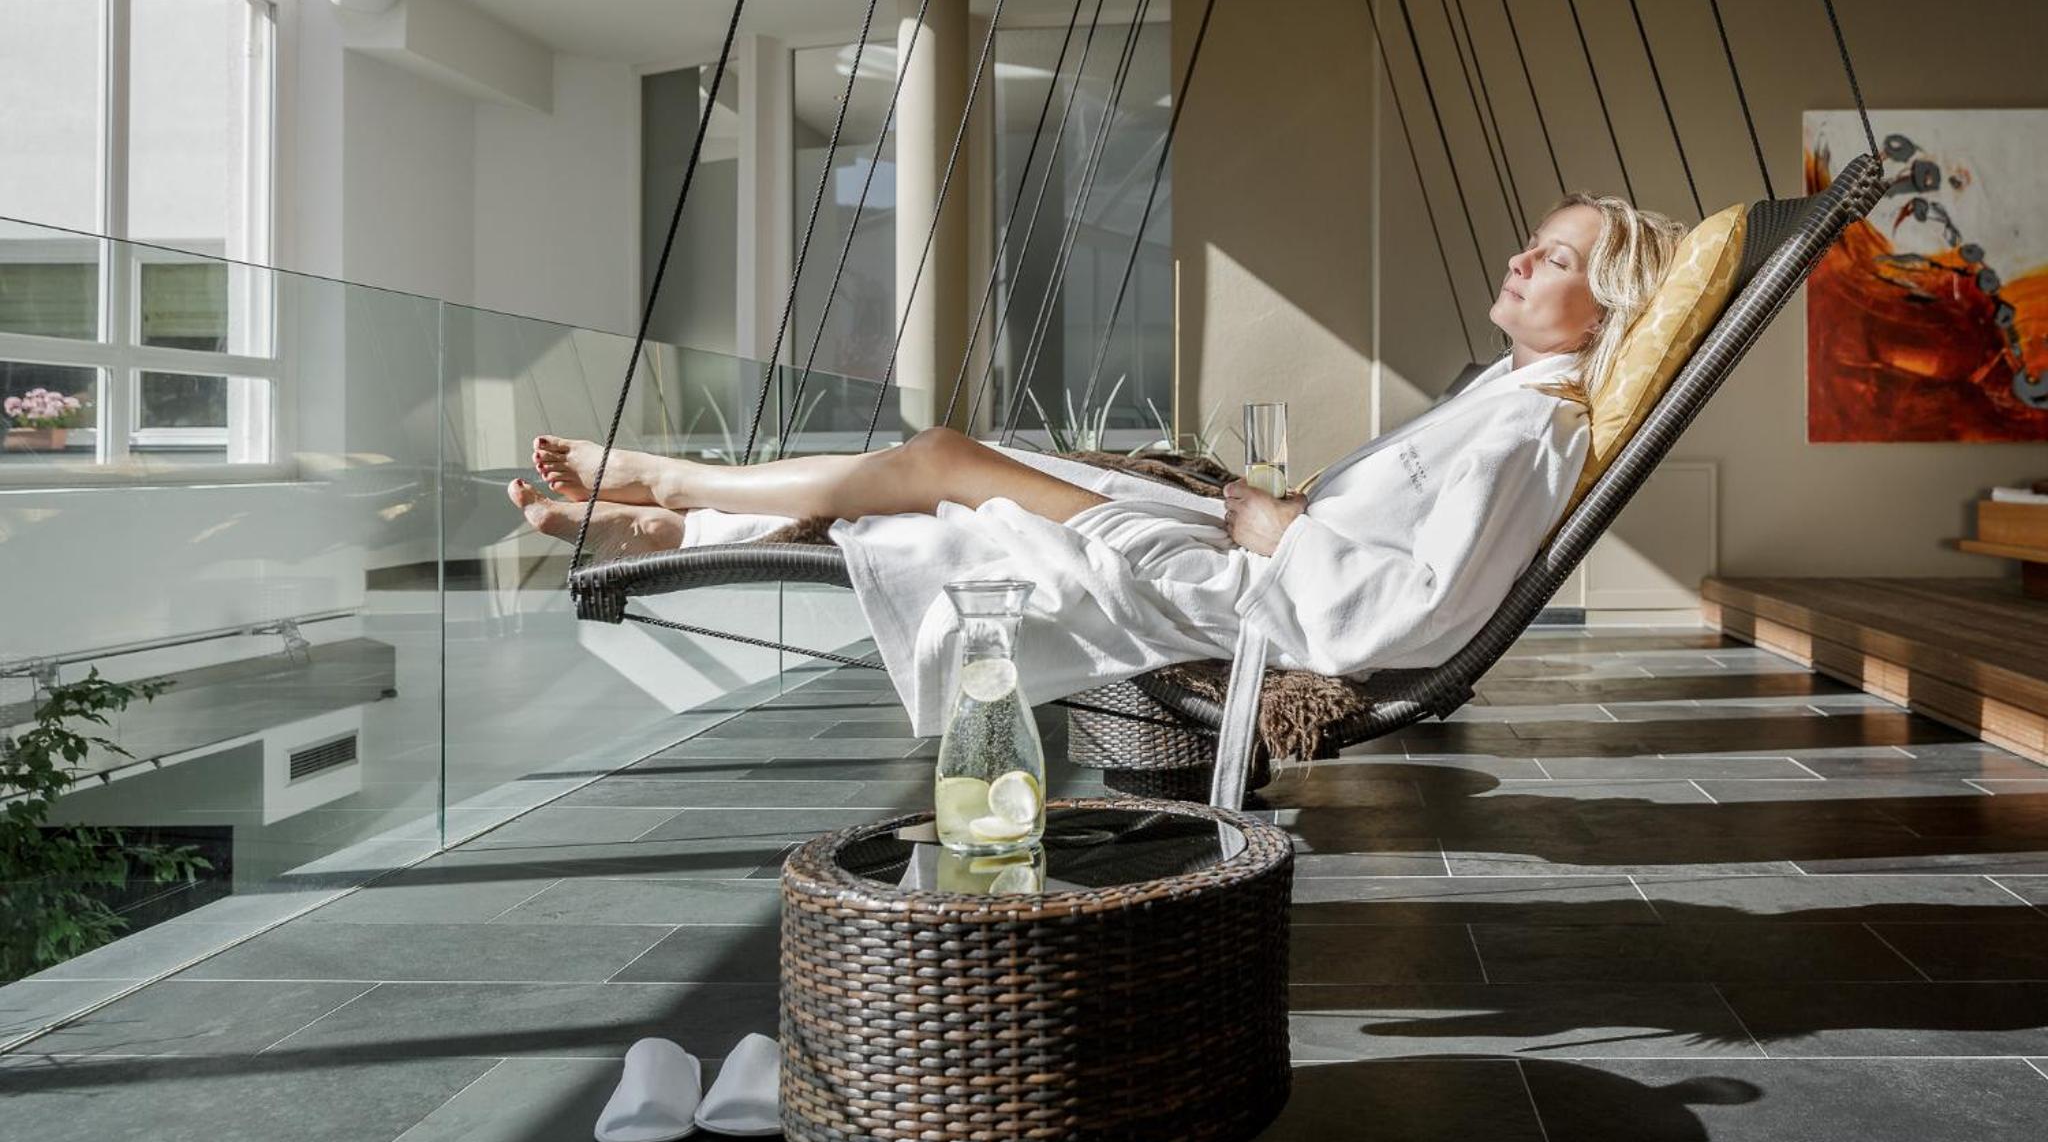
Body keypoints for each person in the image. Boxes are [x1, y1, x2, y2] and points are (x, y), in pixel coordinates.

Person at [509, 193, 1686, 749]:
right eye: (1532, 241)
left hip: (1247, 595)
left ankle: (678, 488)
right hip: (1240, 556)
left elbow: (1422, 614)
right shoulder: (1498, 397)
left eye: (1554, 257)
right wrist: (1268, 514)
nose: (1519, 259)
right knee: (960, 479)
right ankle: (673, 530)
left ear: (1603, 308)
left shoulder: (1530, 432)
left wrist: (1281, 530)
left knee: (941, 464)